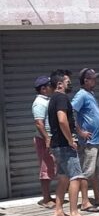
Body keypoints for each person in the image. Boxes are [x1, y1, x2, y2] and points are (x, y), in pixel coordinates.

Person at [48, 69, 92, 216]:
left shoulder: (53, 98)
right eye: (67, 81)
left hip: (57, 145)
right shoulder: (61, 98)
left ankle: (58, 211)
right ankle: (74, 213)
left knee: (63, 178)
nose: (70, 84)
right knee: (76, 177)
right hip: (64, 145)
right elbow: (61, 119)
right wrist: (70, 140)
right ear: (60, 84)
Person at [72, 68, 99, 211]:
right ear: (86, 81)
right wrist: (80, 132)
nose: (95, 81)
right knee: (86, 172)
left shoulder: (90, 94)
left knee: (96, 172)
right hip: (89, 142)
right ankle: (85, 202)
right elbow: (71, 112)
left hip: (96, 140)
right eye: (93, 78)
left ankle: (98, 197)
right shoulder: (81, 95)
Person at [32, 75, 56, 209]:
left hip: (50, 138)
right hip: (44, 140)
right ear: (43, 89)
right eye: (49, 86)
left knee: (52, 167)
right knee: (46, 169)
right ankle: (46, 199)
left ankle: (49, 197)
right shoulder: (39, 102)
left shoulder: (47, 100)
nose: (52, 88)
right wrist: (47, 138)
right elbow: (39, 123)